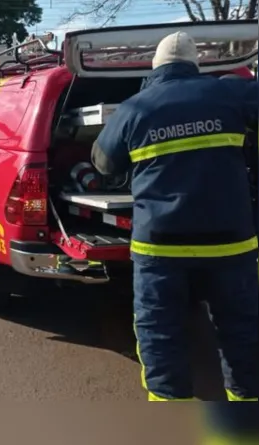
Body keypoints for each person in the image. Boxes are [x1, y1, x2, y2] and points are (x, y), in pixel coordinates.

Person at [91, 31, 258, 402]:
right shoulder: (231, 93)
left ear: (155, 68)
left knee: (160, 337)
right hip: (231, 245)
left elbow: (102, 162)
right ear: (196, 65)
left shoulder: (136, 107)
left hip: (160, 249)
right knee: (242, 335)